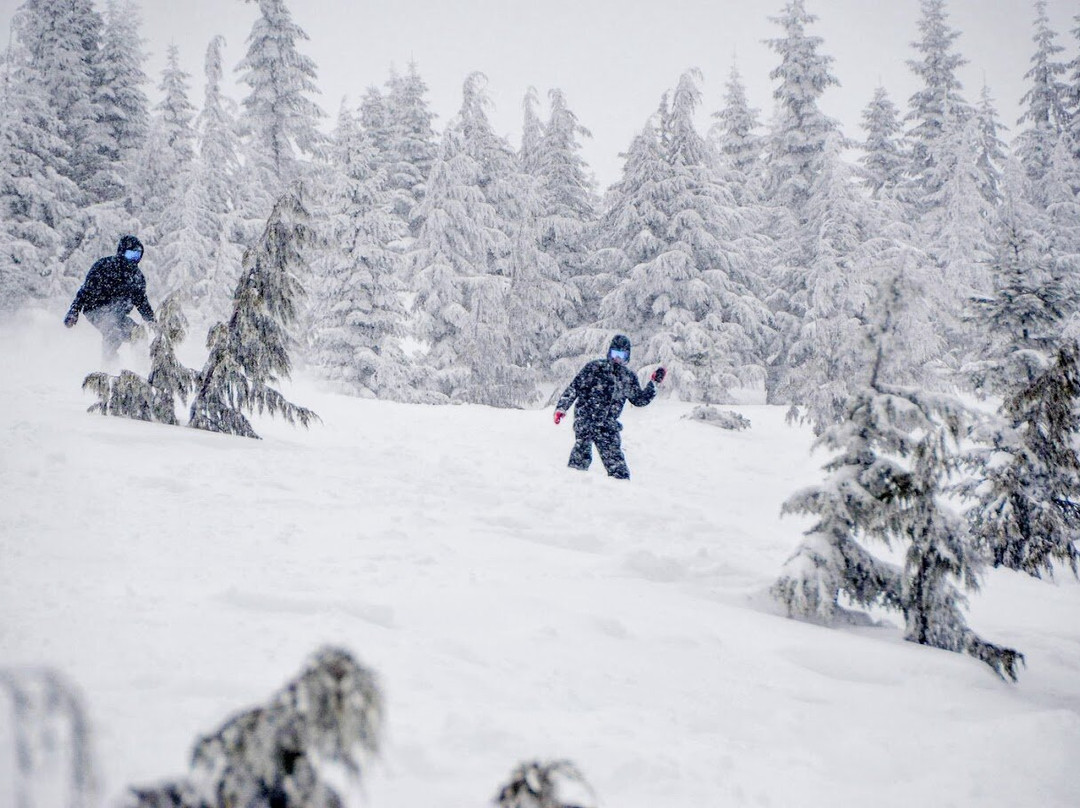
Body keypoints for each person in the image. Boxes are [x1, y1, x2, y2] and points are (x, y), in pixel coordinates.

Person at [553, 334, 666, 480]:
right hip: (586, 417)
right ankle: (574, 480)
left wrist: (653, 384)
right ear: (609, 353)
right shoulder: (594, 368)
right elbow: (574, 388)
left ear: (627, 357)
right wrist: (562, 408)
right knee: (582, 450)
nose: (617, 359)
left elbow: (639, 400)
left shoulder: (628, 378)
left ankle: (620, 488)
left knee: (616, 464)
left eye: (622, 356)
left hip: (608, 424)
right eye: (615, 354)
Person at [64, 235, 155, 359]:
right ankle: (109, 366)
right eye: (130, 255)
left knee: (138, 334)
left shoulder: (137, 277)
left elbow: (142, 302)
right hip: (96, 309)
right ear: (121, 253)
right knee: (113, 332)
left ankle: (141, 366)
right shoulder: (104, 266)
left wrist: (153, 323)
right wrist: (74, 311)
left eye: (137, 256)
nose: (133, 260)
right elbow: (84, 291)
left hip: (119, 314)